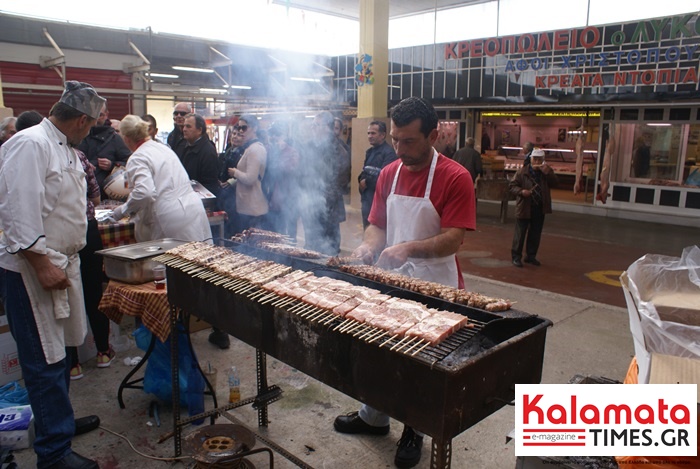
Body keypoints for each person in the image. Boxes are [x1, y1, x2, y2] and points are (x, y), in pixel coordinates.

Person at [333, 97, 475, 469]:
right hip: (393, 278)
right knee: (379, 349)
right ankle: (374, 417)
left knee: (422, 361)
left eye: (408, 141)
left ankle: (415, 426)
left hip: (435, 283)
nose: (399, 148)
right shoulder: (389, 173)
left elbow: (453, 238)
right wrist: (368, 246)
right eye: (395, 139)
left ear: (433, 135)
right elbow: (377, 224)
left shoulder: (455, 176)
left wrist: (408, 249)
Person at [0, 81, 105, 469]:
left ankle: (56, 424)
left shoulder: (67, 148)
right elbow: (16, 210)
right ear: (81, 119)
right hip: (33, 270)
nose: (91, 130)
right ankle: (54, 454)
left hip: (63, 263)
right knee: (44, 360)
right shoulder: (31, 144)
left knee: (61, 353)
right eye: (92, 124)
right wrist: (41, 263)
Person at [113, 115, 212, 243]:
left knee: (176, 260)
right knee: (201, 258)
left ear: (126, 139)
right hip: (192, 207)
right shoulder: (163, 148)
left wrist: (123, 210)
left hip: (171, 217)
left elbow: (144, 193)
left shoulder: (137, 157)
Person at [299, 111, 350, 256]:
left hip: (329, 210)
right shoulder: (309, 147)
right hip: (310, 208)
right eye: (313, 124)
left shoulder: (339, 151)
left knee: (328, 250)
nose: (313, 128)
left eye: (316, 125)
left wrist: (319, 201)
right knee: (310, 247)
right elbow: (302, 174)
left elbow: (339, 182)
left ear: (327, 127)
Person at [509, 148, 558, 268]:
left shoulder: (545, 172)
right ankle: (516, 257)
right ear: (531, 160)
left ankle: (531, 256)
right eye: (535, 159)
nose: (537, 161)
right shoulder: (522, 172)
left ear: (543, 160)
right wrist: (521, 191)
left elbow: (556, 183)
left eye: (539, 159)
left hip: (539, 207)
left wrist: (549, 173)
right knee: (520, 234)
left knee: (535, 233)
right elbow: (512, 186)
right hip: (525, 207)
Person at [77, 103, 131, 198]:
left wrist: (112, 165)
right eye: (94, 115)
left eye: (100, 115)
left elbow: (130, 163)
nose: (97, 119)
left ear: (106, 114)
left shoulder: (115, 139)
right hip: (79, 192)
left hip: (108, 196)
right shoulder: (79, 136)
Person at [227, 114, 268, 233]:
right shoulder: (251, 148)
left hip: (253, 207)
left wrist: (235, 172)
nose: (240, 131)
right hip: (248, 206)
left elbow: (250, 178)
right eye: (239, 128)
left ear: (254, 128)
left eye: (244, 128)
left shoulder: (255, 149)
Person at [359, 120, 396, 229]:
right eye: (368, 133)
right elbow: (364, 171)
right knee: (367, 230)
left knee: (377, 231)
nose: (370, 136)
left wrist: (366, 182)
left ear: (383, 135)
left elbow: (384, 177)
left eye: (373, 133)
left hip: (379, 202)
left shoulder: (389, 153)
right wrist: (361, 181)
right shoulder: (369, 152)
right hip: (367, 200)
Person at [266, 122, 300, 240]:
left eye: (277, 134)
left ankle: (291, 256)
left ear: (283, 136)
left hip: (289, 200)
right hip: (272, 201)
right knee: (275, 234)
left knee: (290, 235)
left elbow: (290, 169)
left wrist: (278, 155)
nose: (274, 137)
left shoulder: (292, 152)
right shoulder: (268, 150)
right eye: (272, 134)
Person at [181, 113, 221, 197]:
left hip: (201, 199)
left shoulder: (208, 151)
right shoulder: (187, 147)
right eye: (184, 126)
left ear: (199, 130)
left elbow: (210, 184)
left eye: (188, 126)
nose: (184, 129)